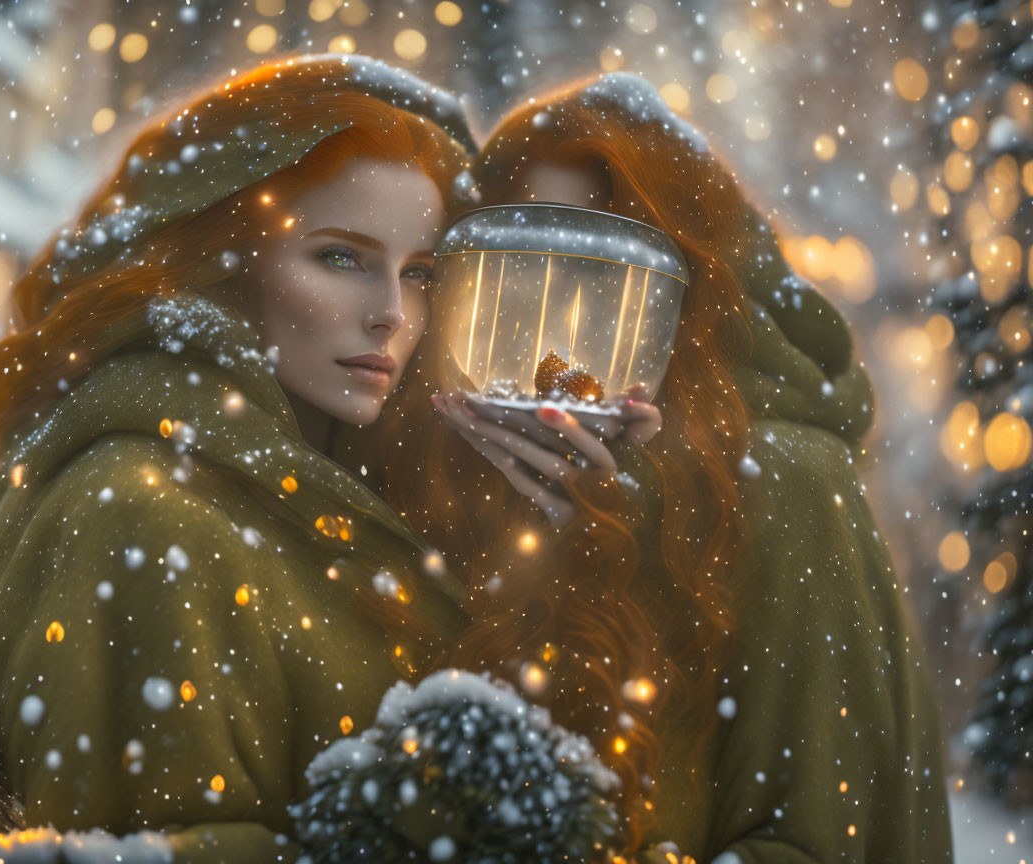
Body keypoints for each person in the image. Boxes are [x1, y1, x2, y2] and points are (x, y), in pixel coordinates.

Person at [364, 73, 954, 862]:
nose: (555, 318)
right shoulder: (444, 468)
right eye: (522, 266)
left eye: (600, 271)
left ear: (691, 287)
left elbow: (825, 830)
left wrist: (628, 524)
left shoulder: (787, 479)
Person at [0, 55, 476, 863]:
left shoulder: (345, 489)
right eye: (341, 258)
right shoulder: (142, 511)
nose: (391, 314)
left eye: (418, 272)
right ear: (228, 262)